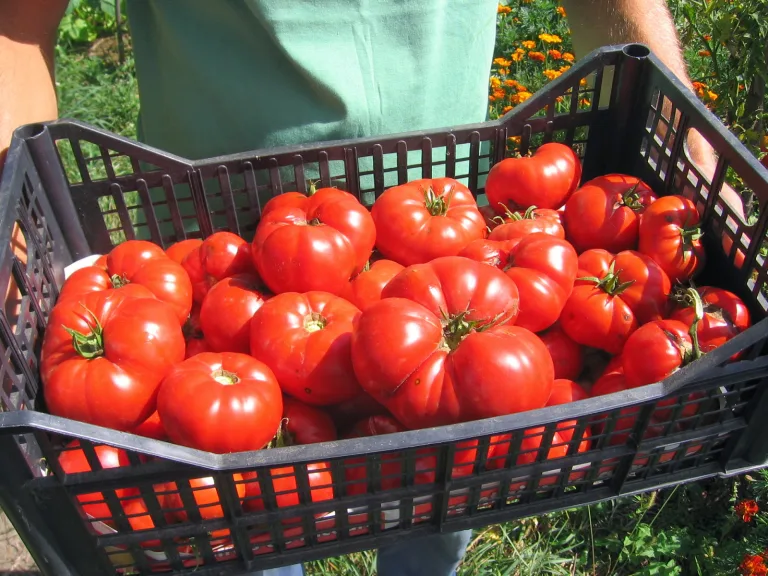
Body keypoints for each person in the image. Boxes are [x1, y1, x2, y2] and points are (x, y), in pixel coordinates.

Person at [0, 2, 741, 575]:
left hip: (455, 210)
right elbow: (16, 25)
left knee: (445, 496)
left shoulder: (480, 314)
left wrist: (696, 154)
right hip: (209, 226)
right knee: (236, 526)